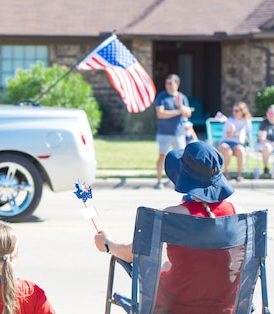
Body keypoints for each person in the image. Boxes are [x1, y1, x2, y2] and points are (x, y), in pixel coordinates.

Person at [93, 141, 245, 313]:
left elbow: (132, 254)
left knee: (163, 269)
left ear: (184, 177)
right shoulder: (238, 214)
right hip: (228, 306)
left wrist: (108, 244)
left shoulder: (172, 216)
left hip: (175, 307)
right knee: (167, 266)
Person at [154, 74, 193, 189]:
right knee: (162, 156)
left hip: (179, 133)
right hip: (163, 133)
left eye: (171, 83)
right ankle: (159, 181)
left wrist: (180, 106)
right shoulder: (162, 97)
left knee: (180, 158)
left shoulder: (182, 97)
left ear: (177, 84)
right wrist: (178, 111)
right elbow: (160, 114)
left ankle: (179, 182)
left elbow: (188, 113)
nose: (168, 85)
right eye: (167, 83)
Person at [216, 102, 253, 182]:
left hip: (238, 143)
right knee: (228, 151)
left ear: (242, 111)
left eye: (236, 111)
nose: (234, 113)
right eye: (234, 111)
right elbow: (227, 136)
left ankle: (239, 174)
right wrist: (232, 130)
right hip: (226, 142)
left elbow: (247, 135)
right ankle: (226, 173)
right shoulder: (229, 120)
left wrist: (244, 137)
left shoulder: (246, 122)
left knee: (240, 150)